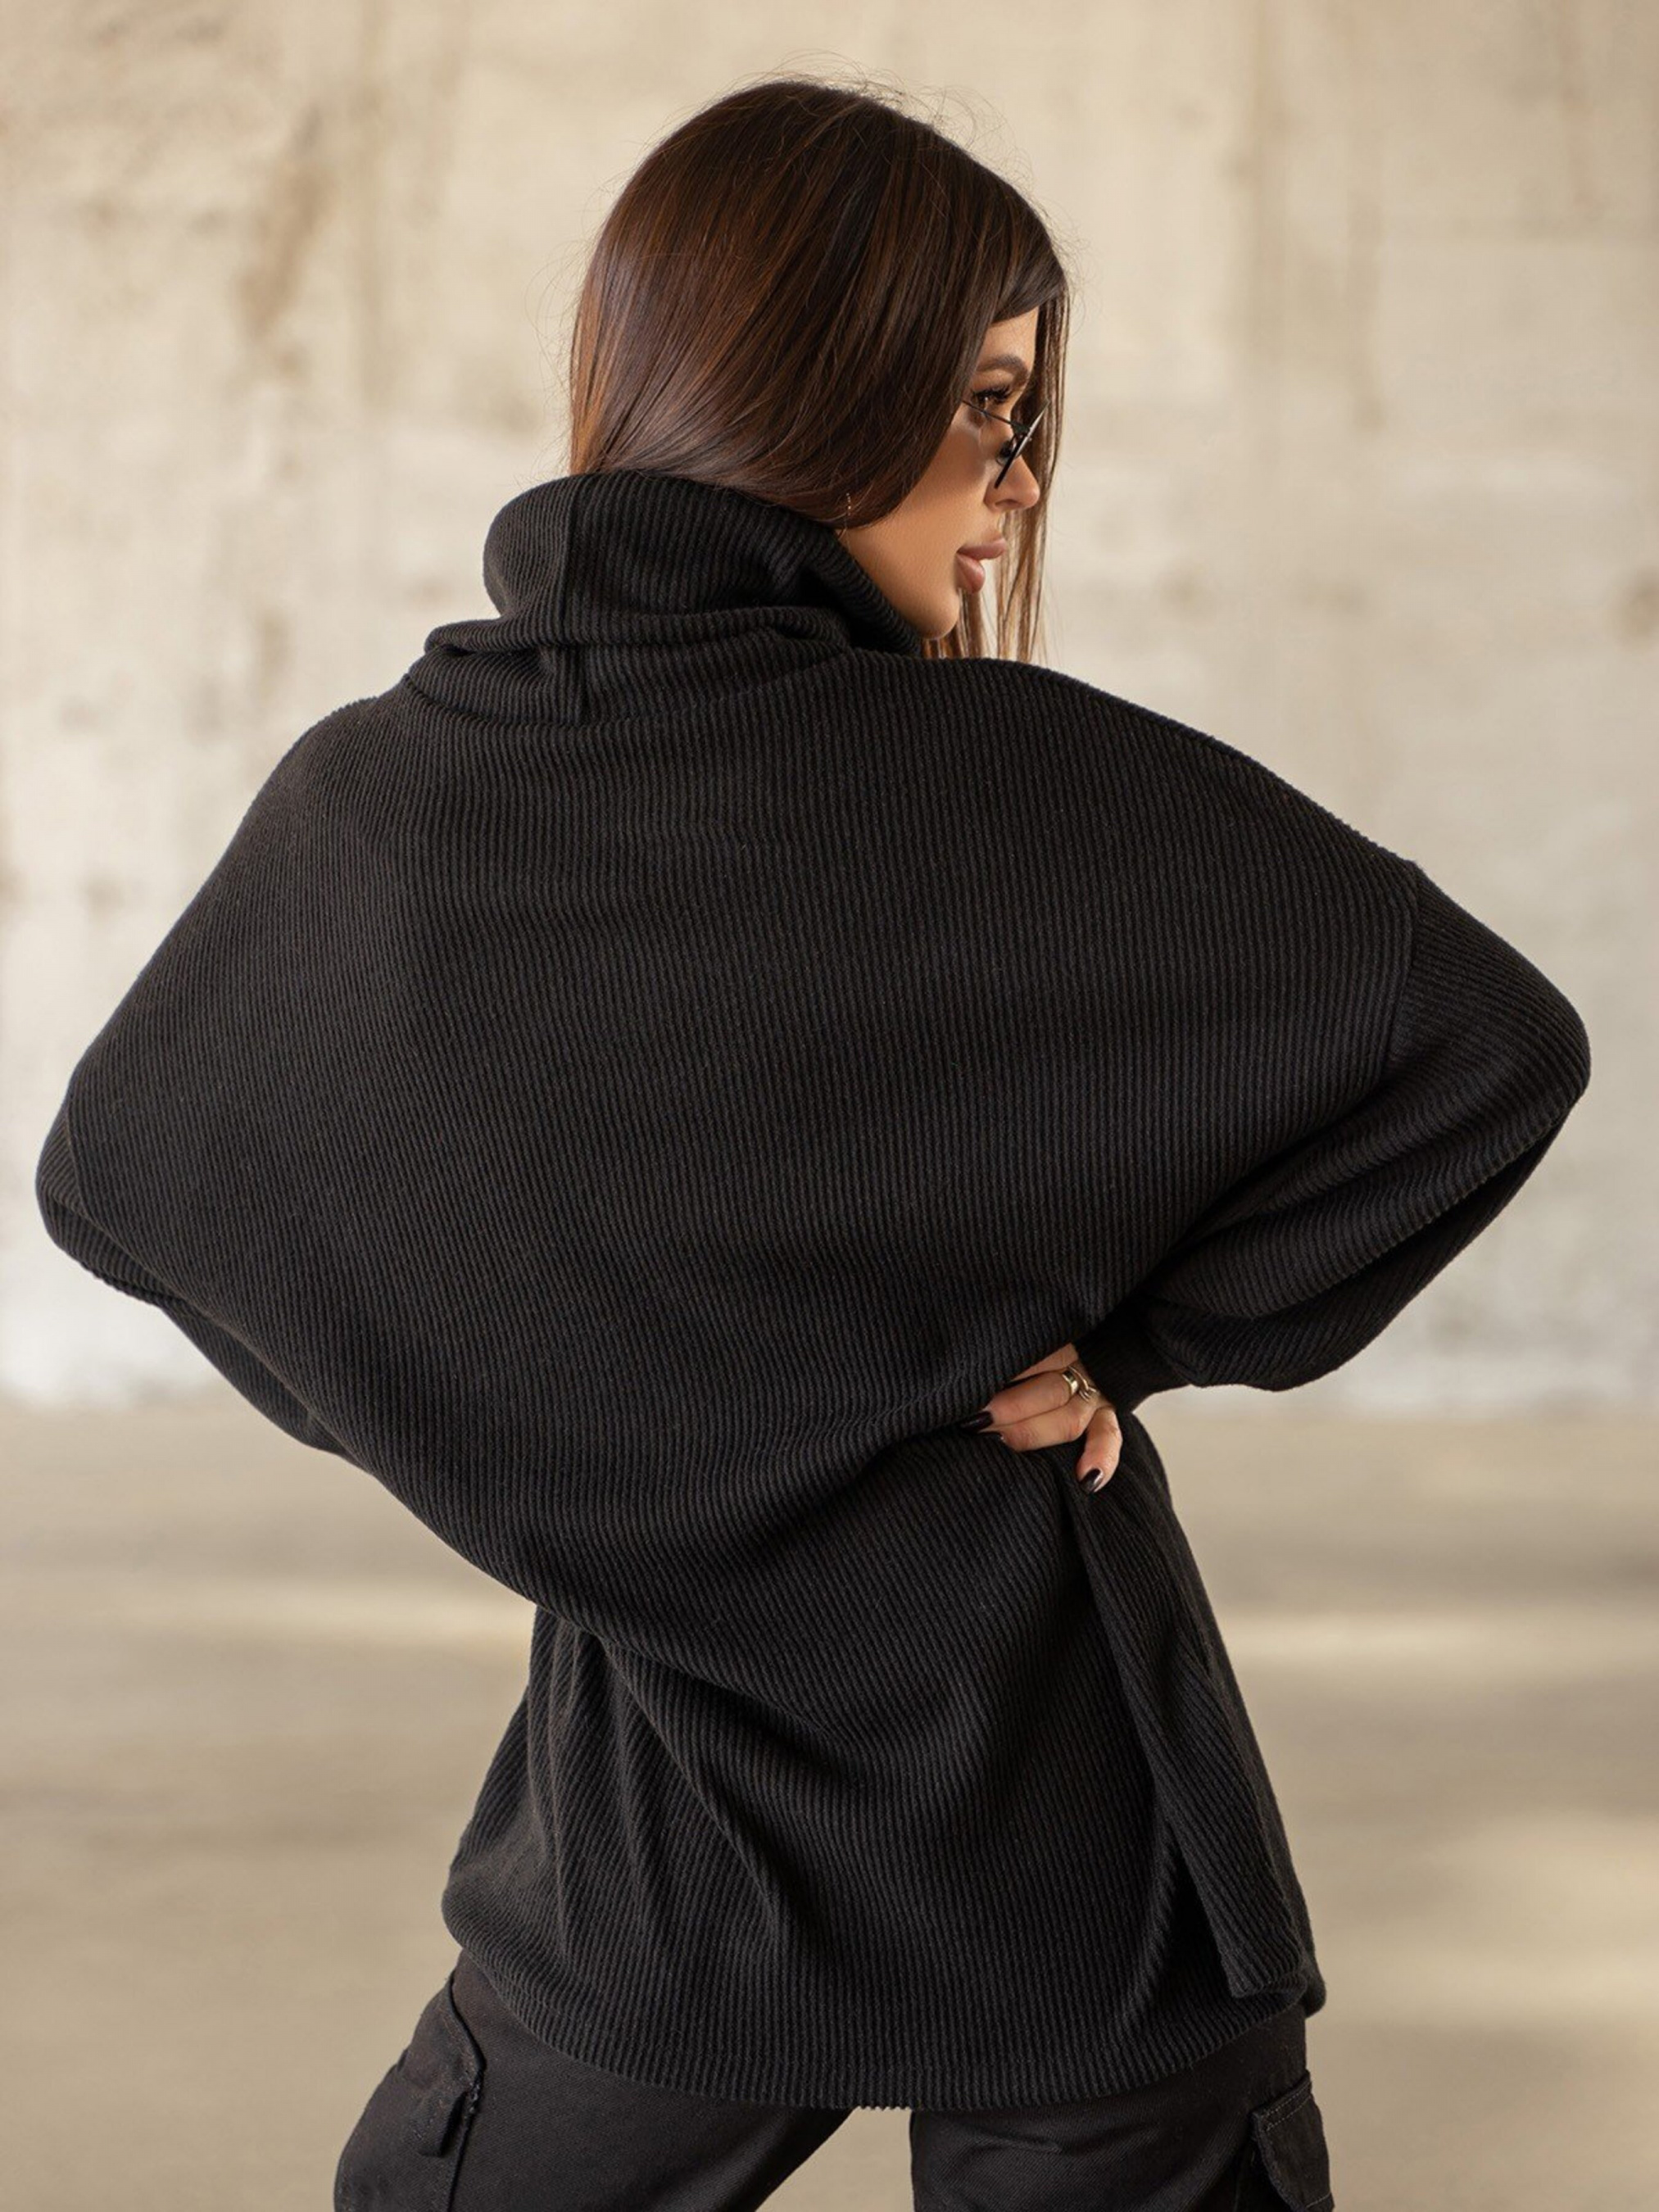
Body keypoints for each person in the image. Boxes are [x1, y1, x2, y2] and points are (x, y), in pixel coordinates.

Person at [35, 73, 1589, 2212]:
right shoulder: (1026, 777)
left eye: (1029, 418)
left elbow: (132, 1173)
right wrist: (1144, 1338)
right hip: (1065, 1836)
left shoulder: (387, 799)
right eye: (988, 408)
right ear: (815, 392)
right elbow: (1481, 1035)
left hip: (663, 1843)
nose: (1021, 486)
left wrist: (546, 1440)